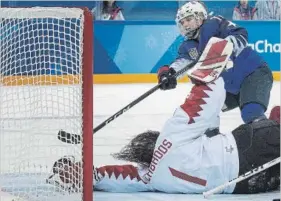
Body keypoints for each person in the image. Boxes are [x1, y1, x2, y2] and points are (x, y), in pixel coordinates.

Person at [48, 77, 280, 194]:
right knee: (275, 117)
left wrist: (87, 176)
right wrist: (210, 71)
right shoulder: (170, 138)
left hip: (246, 184)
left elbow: (118, 178)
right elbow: (205, 98)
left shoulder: (152, 178)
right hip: (249, 146)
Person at [157, 1, 273, 124]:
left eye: (189, 19)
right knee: (203, 114)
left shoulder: (213, 24)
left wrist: (223, 47)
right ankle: (210, 141)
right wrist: (169, 73)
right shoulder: (187, 46)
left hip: (253, 74)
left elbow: (241, 34)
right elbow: (182, 62)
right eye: (182, 22)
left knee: (252, 113)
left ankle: (271, 137)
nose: (185, 24)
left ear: (200, 16)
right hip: (229, 87)